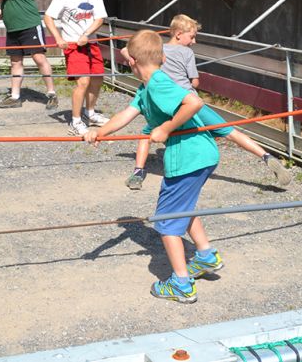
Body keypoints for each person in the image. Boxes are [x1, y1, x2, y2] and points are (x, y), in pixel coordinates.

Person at [84, 30, 221, 303]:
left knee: (166, 221)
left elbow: (194, 102)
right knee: (183, 206)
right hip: (200, 155)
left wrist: (166, 128)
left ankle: (181, 284)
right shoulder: (146, 88)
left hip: (188, 158)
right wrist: (99, 133)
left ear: (132, 61)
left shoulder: (158, 83)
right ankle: (205, 256)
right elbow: (126, 114)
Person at [121, 14, 293, 190]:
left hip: (164, 106)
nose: (194, 41)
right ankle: (266, 156)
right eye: (192, 36)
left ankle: (138, 171)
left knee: (146, 134)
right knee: (231, 132)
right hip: (189, 102)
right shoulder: (187, 52)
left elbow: (126, 51)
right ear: (178, 34)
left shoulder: (156, 51)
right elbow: (195, 82)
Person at [43, 0, 109, 135]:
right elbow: (48, 17)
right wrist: (58, 38)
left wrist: (86, 34)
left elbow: (99, 18)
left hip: (91, 43)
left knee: (97, 79)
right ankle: (76, 121)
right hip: (73, 45)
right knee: (83, 82)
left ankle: (90, 113)